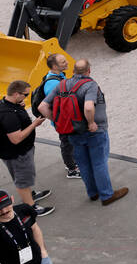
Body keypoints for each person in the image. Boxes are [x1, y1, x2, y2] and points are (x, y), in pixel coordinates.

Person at [57, 59, 128, 205]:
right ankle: (107, 195)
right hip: (94, 132)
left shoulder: (62, 85)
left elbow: (43, 107)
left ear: (73, 71)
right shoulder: (90, 85)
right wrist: (91, 122)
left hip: (73, 132)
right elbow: (89, 107)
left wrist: (61, 123)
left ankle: (93, 193)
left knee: (83, 164)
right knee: (99, 163)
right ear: (89, 71)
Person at [0, 82, 53, 216]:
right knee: (22, 181)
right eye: (26, 95)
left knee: (22, 177)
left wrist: (19, 107)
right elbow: (16, 138)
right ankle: (30, 208)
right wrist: (34, 124)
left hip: (14, 151)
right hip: (18, 153)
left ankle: (30, 195)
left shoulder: (7, 104)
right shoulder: (8, 114)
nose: (26, 97)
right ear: (16, 94)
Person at [0, 190, 66, 264]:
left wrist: (43, 253)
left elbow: (35, 228)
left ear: (12, 200)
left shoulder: (24, 210)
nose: (4, 211)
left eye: (6, 205)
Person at [32, 55, 80, 180]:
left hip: (65, 120)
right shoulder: (53, 84)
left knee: (70, 142)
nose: (67, 62)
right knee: (67, 143)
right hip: (64, 122)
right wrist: (57, 120)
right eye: (63, 62)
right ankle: (72, 169)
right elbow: (49, 106)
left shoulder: (58, 76)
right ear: (54, 66)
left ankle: (71, 162)